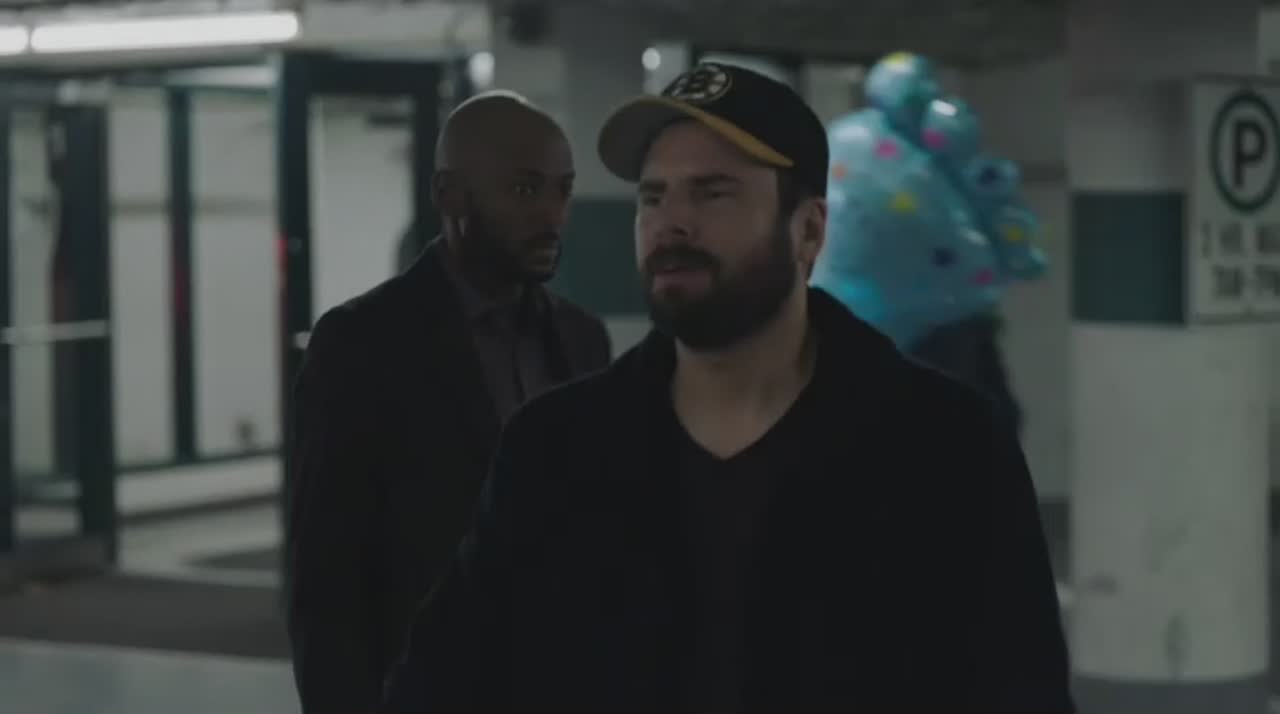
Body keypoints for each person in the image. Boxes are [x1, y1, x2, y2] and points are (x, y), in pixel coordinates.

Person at [381, 64, 1072, 713]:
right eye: (654, 197)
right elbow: (440, 684)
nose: (672, 221)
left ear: (808, 231)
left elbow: (1020, 692)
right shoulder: (557, 451)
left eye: (713, 192)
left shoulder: (945, 448)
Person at [285, 90, 612, 714]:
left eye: (562, 190)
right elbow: (327, 583)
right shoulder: (362, 345)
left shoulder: (581, 340)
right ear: (450, 195)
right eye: (524, 189)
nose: (551, 214)